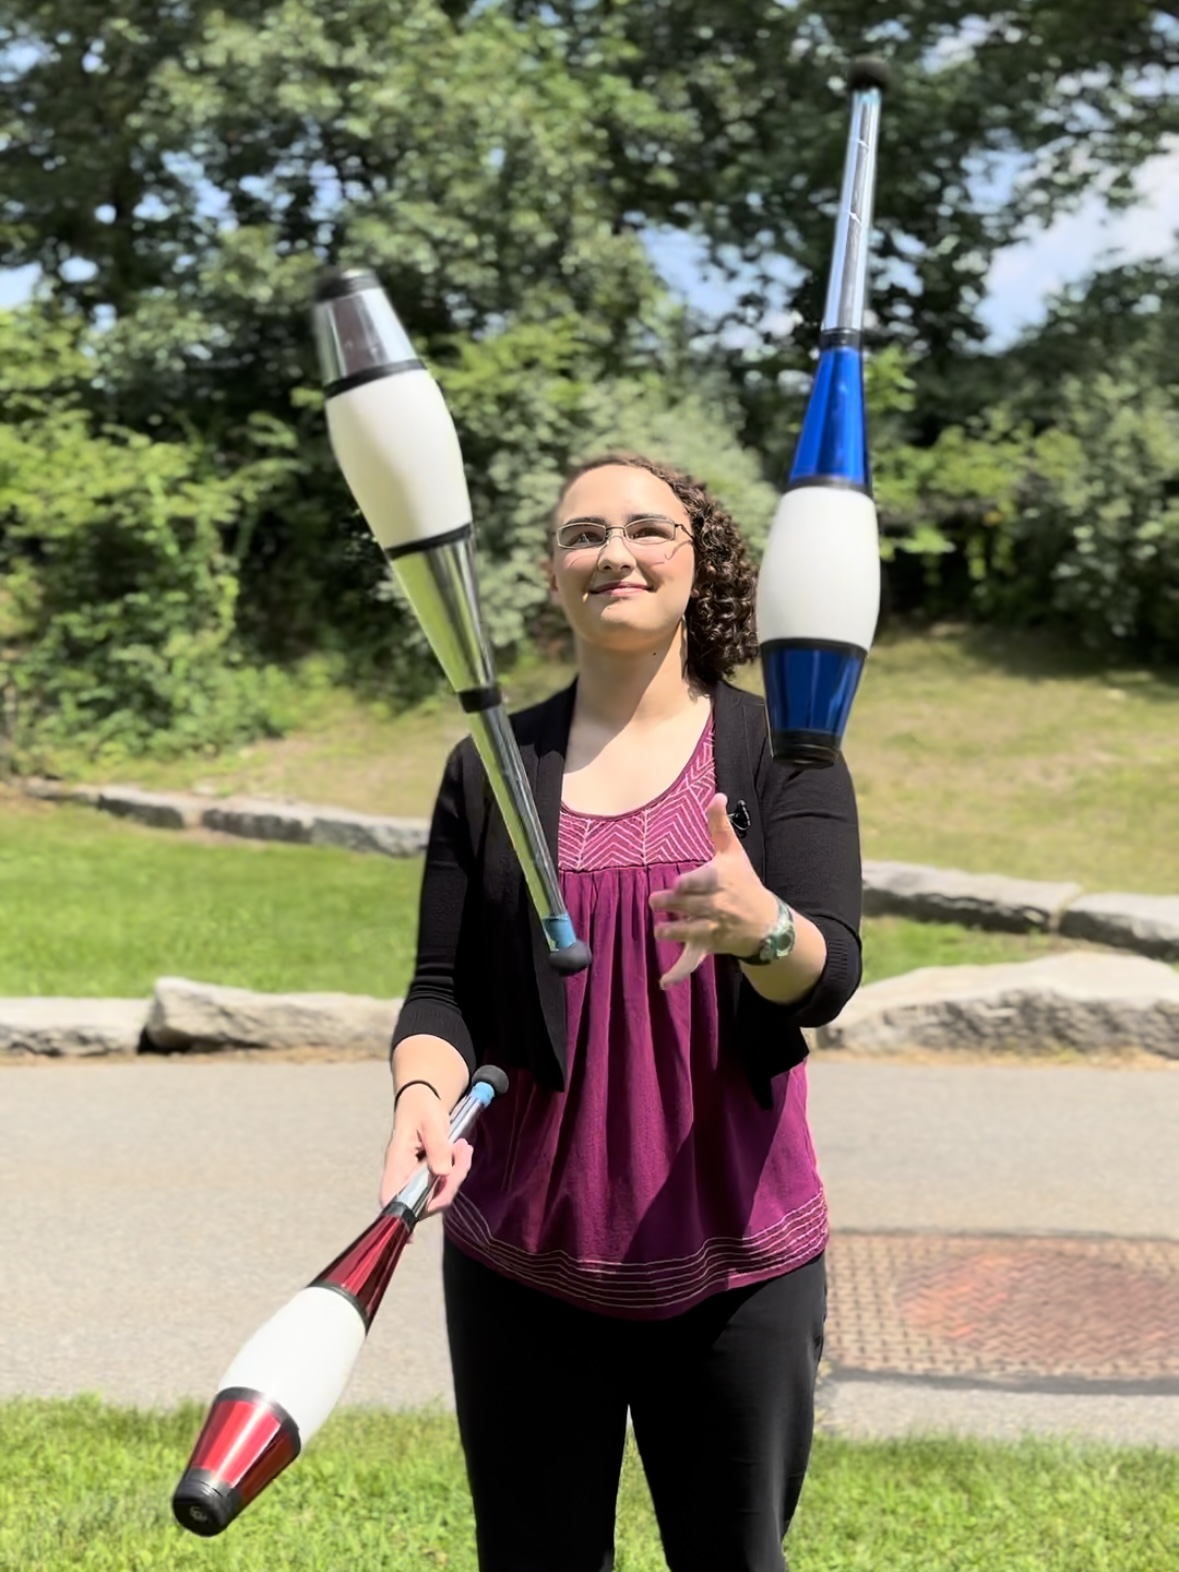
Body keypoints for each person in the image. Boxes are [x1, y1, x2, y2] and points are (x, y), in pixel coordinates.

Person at [380, 452, 863, 1572]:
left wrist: (765, 929)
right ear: (553, 574)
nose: (614, 554)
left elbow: (830, 976)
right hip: (521, 1264)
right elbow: (443, 992)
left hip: (741, 1264)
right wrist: (418, 1094)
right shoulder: (491, 765)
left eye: (649, 530)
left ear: (703, 561)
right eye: (581, 535)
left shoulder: (782, 752)